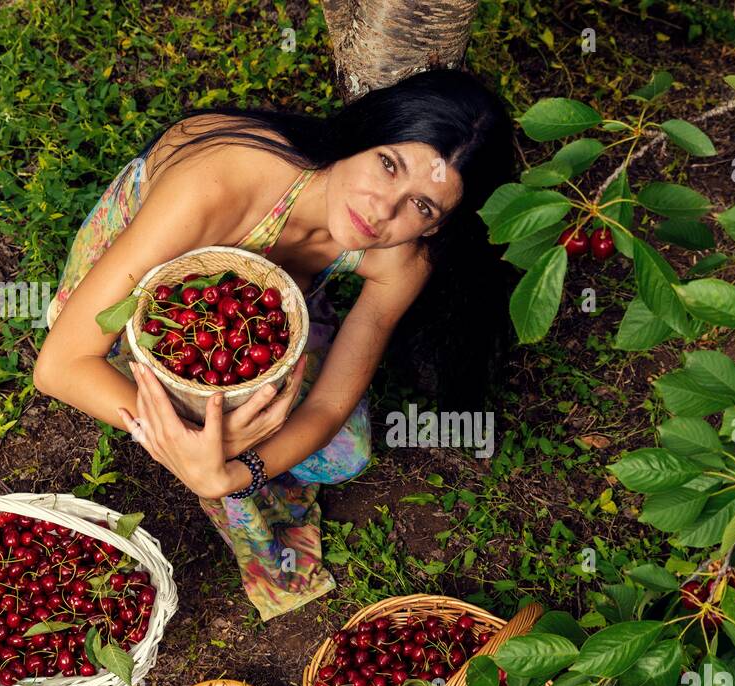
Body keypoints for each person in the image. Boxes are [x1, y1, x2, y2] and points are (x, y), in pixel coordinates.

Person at [34, 68, 515, 620]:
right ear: (361, 134)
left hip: (249, 307)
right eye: (388, 164)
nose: (383, 211)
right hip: (154, 268)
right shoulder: (218, 186)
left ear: (435, 228)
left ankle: (279, 311)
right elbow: (60, 366)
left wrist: (234, 472)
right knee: (126, 357)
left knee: (344, 454)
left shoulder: (401, 257)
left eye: (422, 206)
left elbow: (332, 407)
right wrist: (189, 439)